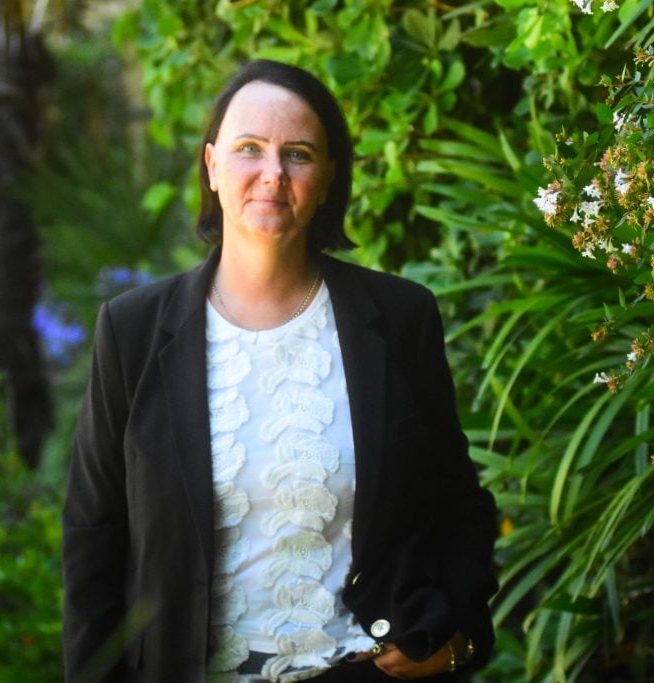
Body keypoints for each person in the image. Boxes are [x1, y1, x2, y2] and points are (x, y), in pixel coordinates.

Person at [62, 60, 497, 683]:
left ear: (326, 180)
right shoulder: (132, 331)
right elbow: (93, 536)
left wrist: (455, 637)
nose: (272, 174)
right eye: (249, 149)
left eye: (297, 154)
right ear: (212, 167)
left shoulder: (400, 319)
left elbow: (459, 506)